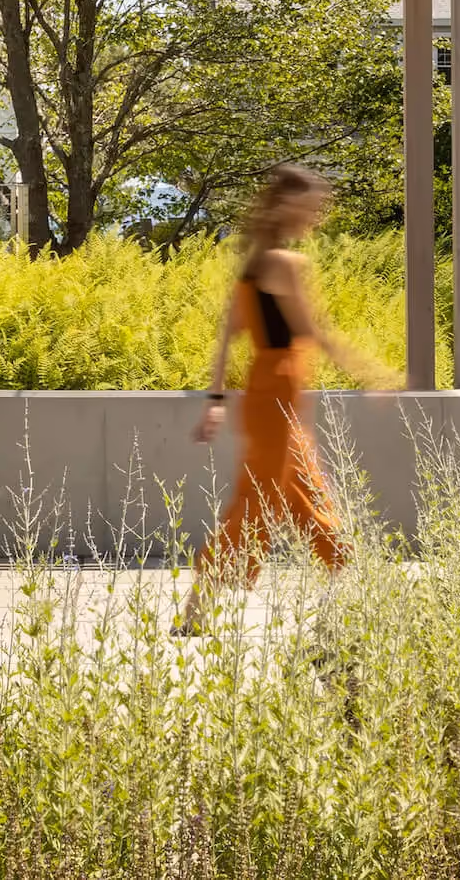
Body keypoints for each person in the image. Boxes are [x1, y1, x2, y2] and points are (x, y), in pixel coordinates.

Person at [179, 163, 389, 623]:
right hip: (277, 392)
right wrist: (371, 373)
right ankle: (197, 609)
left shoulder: (253, 266)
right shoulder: (286, 264)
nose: (314, 217)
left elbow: (226, 338)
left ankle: (350, 589)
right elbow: (316, 332)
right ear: (285, 208)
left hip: (268, 391)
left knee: (304, 493)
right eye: (310, 208)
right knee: (258, 497)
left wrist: (215, 402)